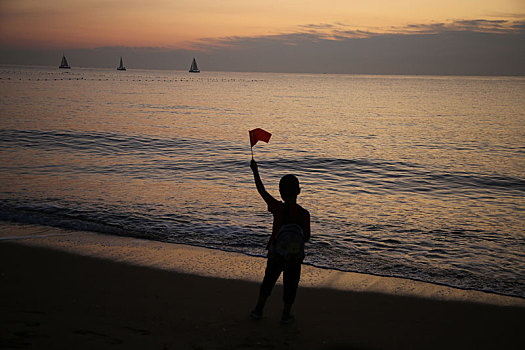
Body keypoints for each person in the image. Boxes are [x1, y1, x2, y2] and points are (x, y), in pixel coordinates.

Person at [249, 159, 310, 324]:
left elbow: (261, 190)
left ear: (281, 192)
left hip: (276, 254)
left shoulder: (277, 208)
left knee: (268, 282)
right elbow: (306, 237)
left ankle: (258, 310)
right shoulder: (304, 214)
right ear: (299, 191)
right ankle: (285, 315)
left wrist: (255, 170)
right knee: (291, 286)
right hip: (294, 258)